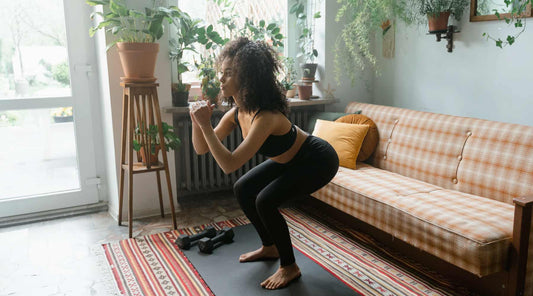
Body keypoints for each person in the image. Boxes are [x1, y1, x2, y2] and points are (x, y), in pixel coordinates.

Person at [189, 37, 339, 290]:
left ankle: (289, 266)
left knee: (265, 200)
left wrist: (205, 125)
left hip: (317, 159)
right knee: (243, 188)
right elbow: (201, 148)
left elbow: (229, 163)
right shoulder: (236, 113)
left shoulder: (266, 116)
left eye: (228, 73)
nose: (221, 79)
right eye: (221, 73)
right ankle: (269, 247)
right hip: (288, 160)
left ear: (247, 77)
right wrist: (196, 122)